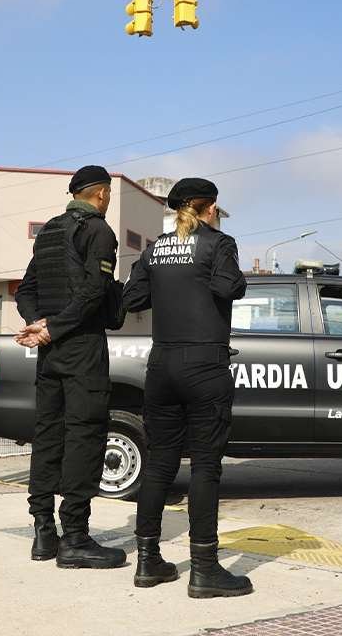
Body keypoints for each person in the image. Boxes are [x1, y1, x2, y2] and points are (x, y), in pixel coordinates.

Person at [123, 177, 252, 598]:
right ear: (209, 208)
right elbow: (228, 287)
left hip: (161, 366)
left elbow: (132, 299)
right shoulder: (219, 243)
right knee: (205, 468)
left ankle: (148, 562)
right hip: (204, 365)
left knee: (159, 464)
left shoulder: (156, 247)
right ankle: (205, 569)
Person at [14, 165, 125, 570]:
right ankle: (75, 538)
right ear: (100, 195)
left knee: (48, 434)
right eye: (108, 195)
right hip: (81, 348)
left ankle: (44, 531)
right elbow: (96, 292)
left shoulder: (48, 232)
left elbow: (26, 290)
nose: (107, 201)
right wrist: (55, 326)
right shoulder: (99, 231)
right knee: (84, 435)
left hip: (51, 351)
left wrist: (40, 325)